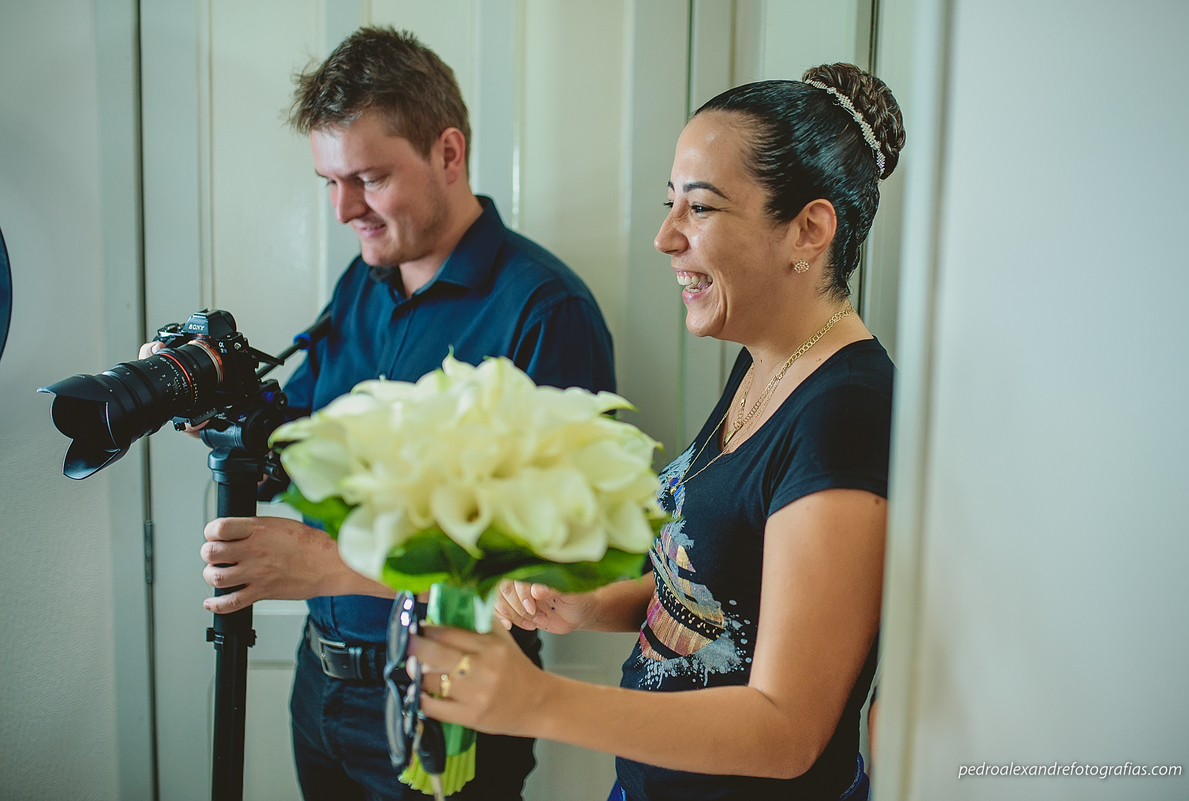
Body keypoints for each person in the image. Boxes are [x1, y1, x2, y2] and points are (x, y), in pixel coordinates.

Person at [407, 63, 905, 801]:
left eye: (698, 209)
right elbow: (724, 590)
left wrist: (537, 699)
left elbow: (787, 728)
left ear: (809, 229)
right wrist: (588, 603)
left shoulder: (845, 414)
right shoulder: (765, 361)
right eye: (670, 204)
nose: (664, 236)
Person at [142, 26, 616, 800]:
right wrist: (214, 410)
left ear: (449, 154)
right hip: (323, 690)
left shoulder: (545, 311)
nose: (343, 210)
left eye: (368, 177)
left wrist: (326, 565)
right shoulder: (365, 281)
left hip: (450, 701)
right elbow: (301, 445)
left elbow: (551, 568)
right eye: (330, 181)